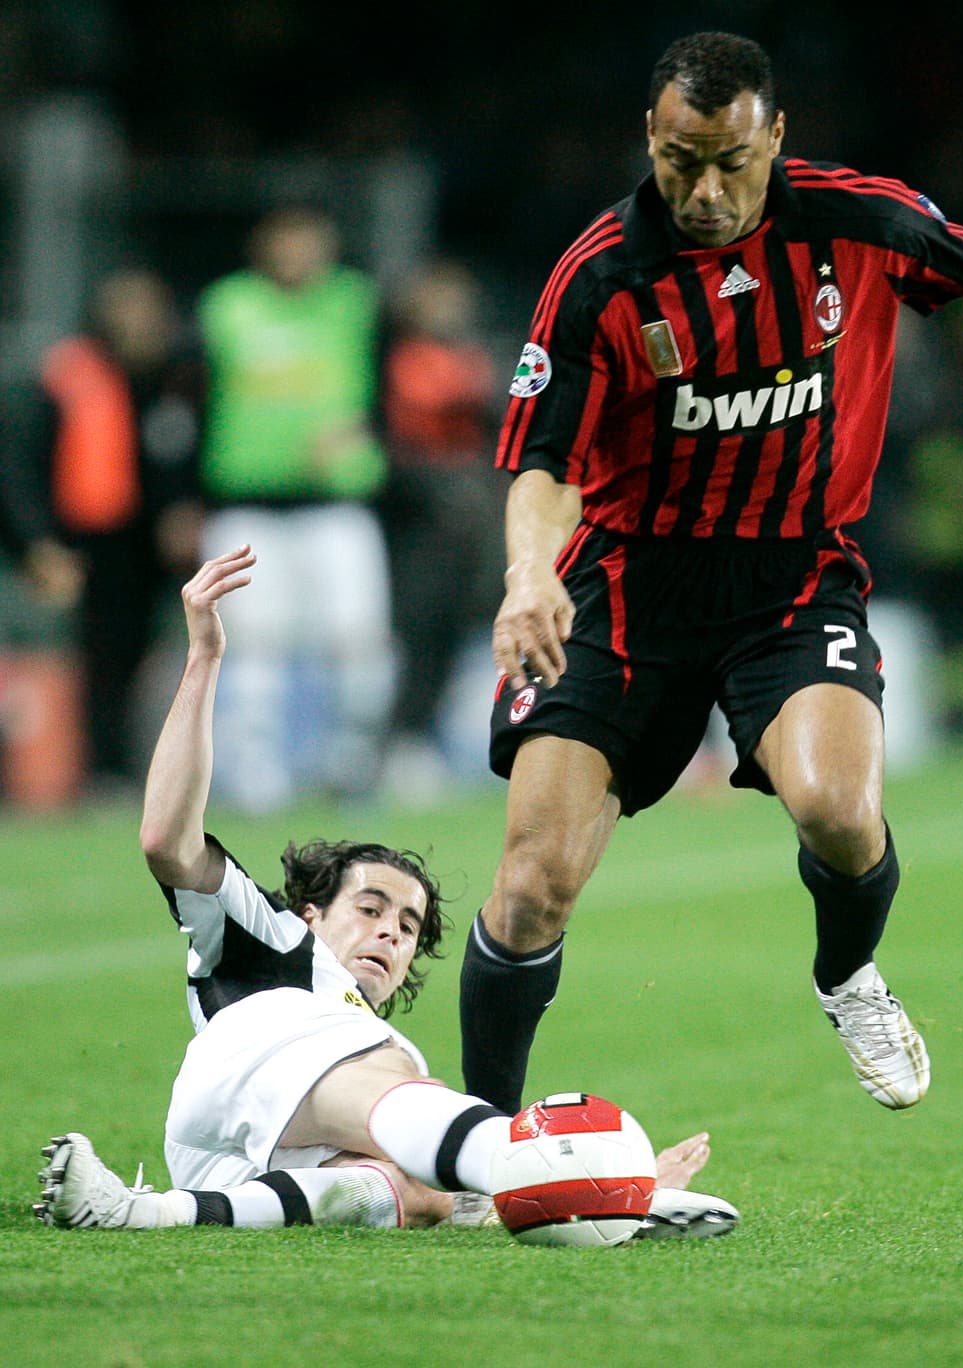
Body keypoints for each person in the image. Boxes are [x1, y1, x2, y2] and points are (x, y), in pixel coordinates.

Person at [459, 31, 963, 1117]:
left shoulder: (854, 220)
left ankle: (845, 975)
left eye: (731, 162)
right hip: (624, 585)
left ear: (775, 138)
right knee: (530, 889)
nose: (705, 192)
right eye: (681, 162)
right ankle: (479, 1150)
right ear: (649, 138)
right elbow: (545, 464)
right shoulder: (599, 276)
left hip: (791, 582)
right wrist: (527, 573)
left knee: (840, 813)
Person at [33, 546, 735, 1238]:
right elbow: (166, 841)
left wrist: (611, 1204)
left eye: (407, 926)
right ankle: (550, 1162)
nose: (391, 932)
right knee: (395, 1078)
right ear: (311, 913)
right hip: (257, 1066)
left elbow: (461, 1204)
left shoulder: (374, 1041)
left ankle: (145, 1211)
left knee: (417, 1192)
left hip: (232, 1156)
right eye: (370, 908)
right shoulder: (274, 937)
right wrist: (205, 657)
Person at [197, 204, 394, 811]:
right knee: (253, 645)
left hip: (337, 502)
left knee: (358, 638)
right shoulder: (225, 306)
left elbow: (395, 384)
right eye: (283, 240)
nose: (294, 253)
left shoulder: (357, 303)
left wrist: (370, 428)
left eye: (305, 240)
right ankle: (255, 779)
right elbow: (194, 393)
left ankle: (352, 767)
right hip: (246, 501)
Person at [0, 267, 203, 790]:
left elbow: (181, 457)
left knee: (149, 661)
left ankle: (134, 769)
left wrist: (186, 509)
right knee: (83, 662)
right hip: (78, 546)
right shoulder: (64, 377)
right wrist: (36, 543)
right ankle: (86, 771)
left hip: (147, 551)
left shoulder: (175, 379)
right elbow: (20, 465)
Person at [378, 260, 507, 800]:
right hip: (413, 523)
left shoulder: (474, 356)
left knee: (460, 632)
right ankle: (399, 744)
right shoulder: (392, 358)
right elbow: (393, 439)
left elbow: (499, 422)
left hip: (470, 519)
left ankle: (436, 744)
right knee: (417, 634)